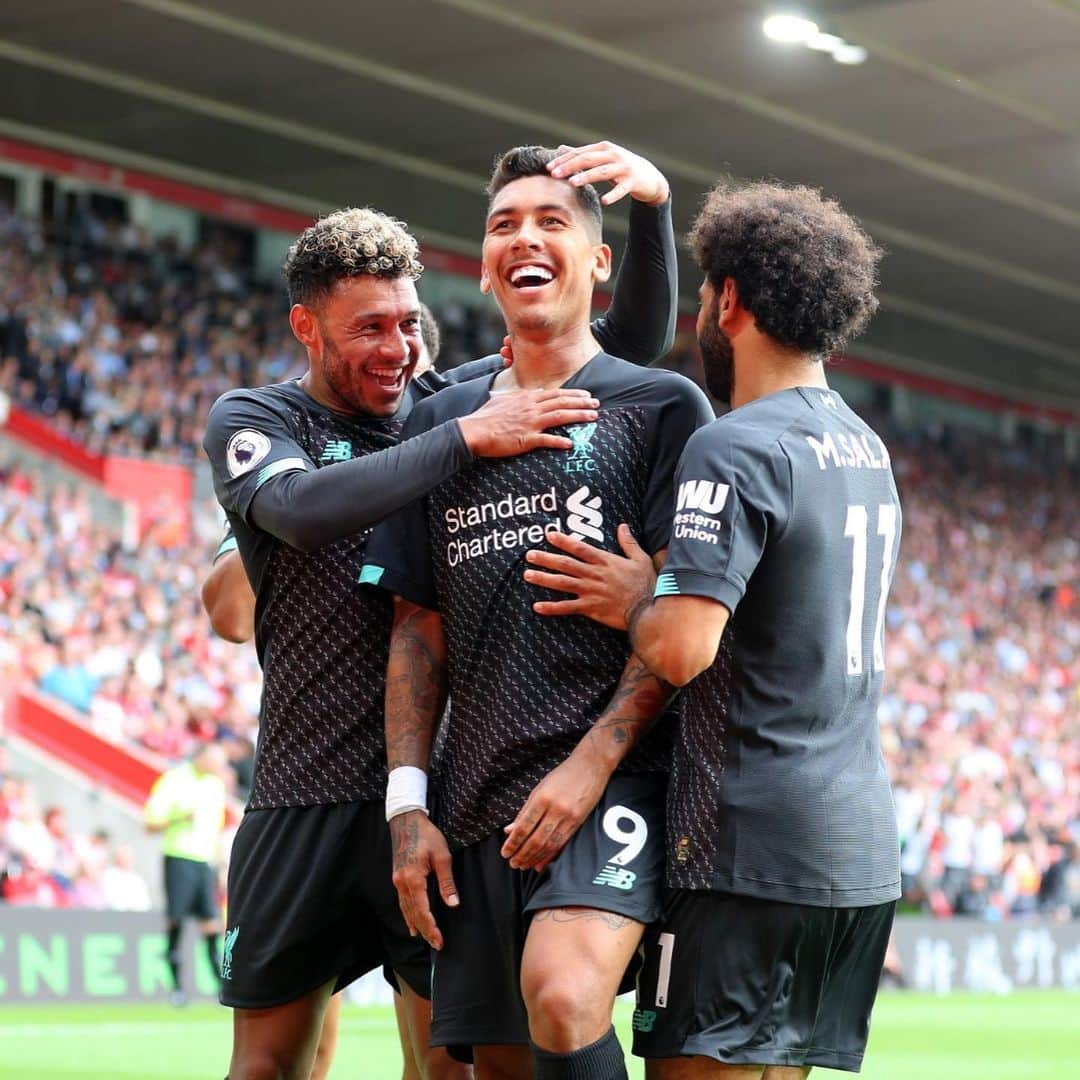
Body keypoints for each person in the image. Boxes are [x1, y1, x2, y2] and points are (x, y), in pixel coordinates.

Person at [202, 140, 680, 1080]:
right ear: (308, 326)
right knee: (265, 1067)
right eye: (368, 329)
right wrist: (467, 434)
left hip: (438, 792)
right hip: (302, 789)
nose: (398, 350)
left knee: (449, 1065)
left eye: (409, 325)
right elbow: (295, 514)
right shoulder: (257, 420)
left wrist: (653, 212)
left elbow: (618, 349)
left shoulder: (436, 404)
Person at [522, 180, 899, 1077]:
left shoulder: (734, 442)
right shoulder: (865, 446)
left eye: (701, 293)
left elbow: (682, 648)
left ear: (729, 299)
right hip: (855, 853)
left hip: (747, 846)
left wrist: (635, 599)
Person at [364, 144, 713, 1079]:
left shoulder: (660, 406)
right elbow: (415, 625)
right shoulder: (441, 424)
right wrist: (409, 808)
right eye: (503, 225)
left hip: (615, 782)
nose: (525, 237)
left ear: (599, 264)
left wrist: (590, 767)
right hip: (476, 801)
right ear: (483, 268)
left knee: (563, 993)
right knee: (505, 1062)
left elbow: (681, 612)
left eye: (552, 221)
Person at [144, 742, 230, 1007]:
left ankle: (221, 988)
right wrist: (180, 818)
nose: (220, 768)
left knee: (211, 925)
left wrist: (219, 865)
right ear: (201, 757)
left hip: (205, 862)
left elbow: (215, 830)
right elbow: (150, 823)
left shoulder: (216, 787)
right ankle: (177, 988)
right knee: (176, 921)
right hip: (179, 858)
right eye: (216, 761)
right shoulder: (174, 780)